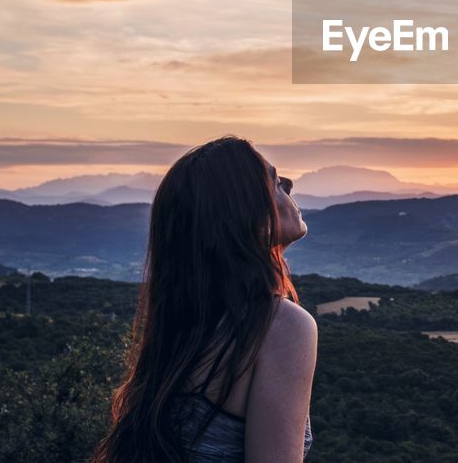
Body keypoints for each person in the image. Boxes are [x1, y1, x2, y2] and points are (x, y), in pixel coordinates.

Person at [93, 136, 315, 463]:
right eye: (275, 180)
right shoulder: (282, 327)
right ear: (246, 211)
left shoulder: (181, 331)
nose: (290, 184)